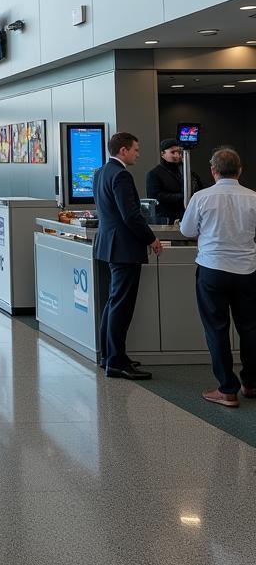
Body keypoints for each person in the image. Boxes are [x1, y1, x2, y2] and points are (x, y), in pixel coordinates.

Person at [179, 147, 256, 408]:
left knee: (217, 329)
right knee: (250, 328)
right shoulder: (253, 198)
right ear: (240, 171)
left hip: (212, 269)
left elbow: (187, 230)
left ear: (213, 171)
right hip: (247, 270)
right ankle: (251, 383)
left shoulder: (201, 197)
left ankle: (227, 389)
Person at [94, 132, 162, 380]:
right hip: (124, 248)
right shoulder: (121, 175)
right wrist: (151, 238)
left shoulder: (100, 172)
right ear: (123, 150)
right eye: (135, 149)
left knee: (113, 303)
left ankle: (109, 356)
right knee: (121, 306)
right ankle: (116, 362)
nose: (138, 154)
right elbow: (131, 215)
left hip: (109, 245)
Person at [146, 138, 203, 223]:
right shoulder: (154, 173)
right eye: (173, 152)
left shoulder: (186, 171)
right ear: (162, 154)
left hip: (187, 217)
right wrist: (182, 196)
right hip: (166, 220)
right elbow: (155, 197)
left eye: (179, 152)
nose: (178, 155)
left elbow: (200, 186)